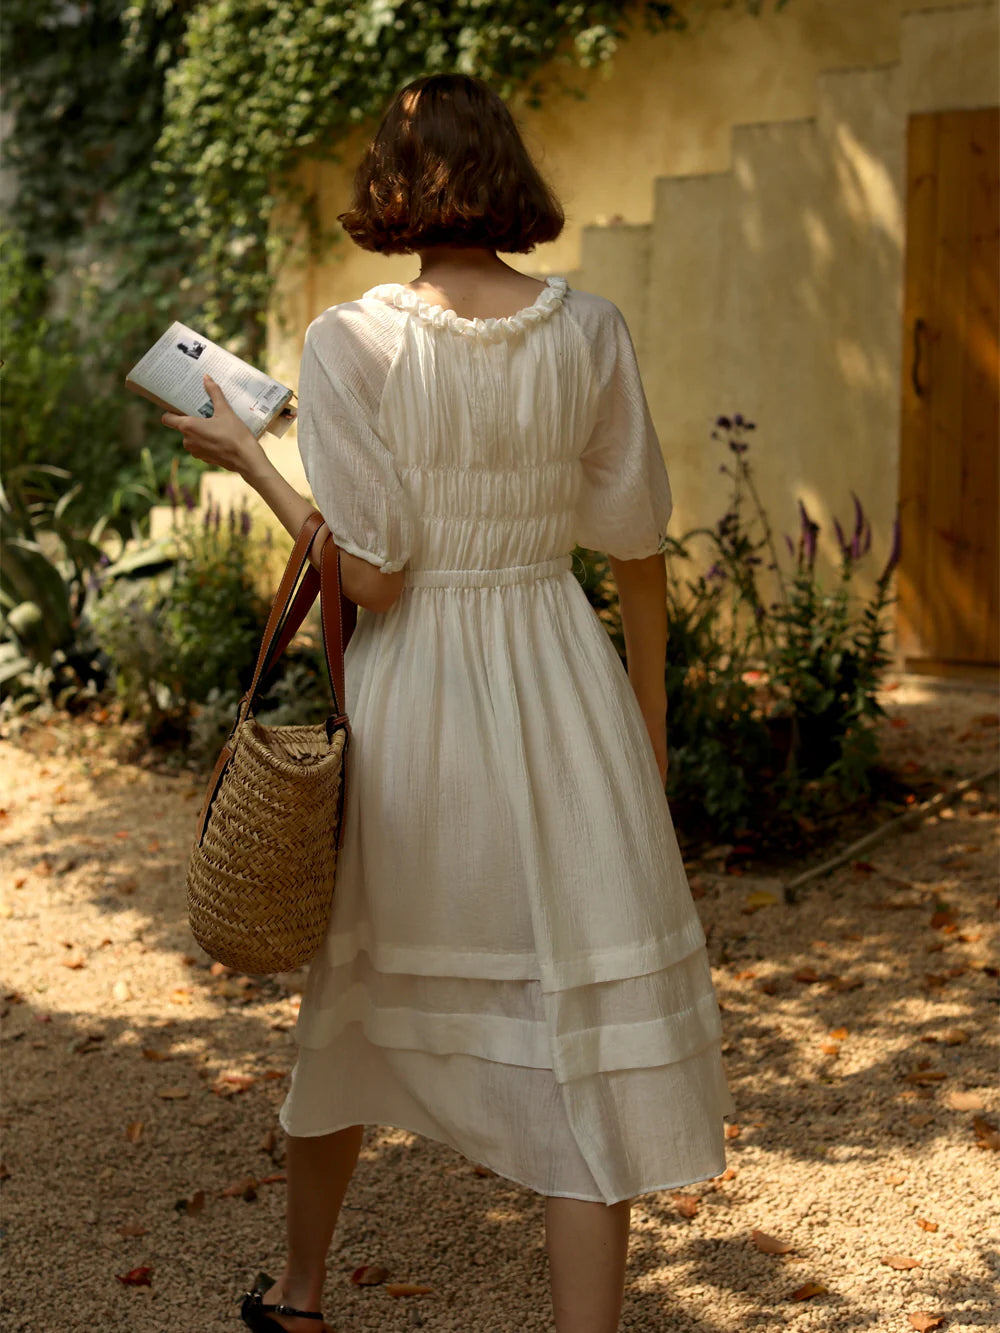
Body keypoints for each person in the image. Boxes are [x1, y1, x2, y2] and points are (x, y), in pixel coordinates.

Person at [162, 71, 736, 1333]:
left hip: (419, 700)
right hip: (563, 686)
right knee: (578, 1030)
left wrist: (254, 456)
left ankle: (303, 1298)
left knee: (357, 999)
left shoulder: (348, 339)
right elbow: (636, 549)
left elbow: (371, 573)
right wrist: (643, 741)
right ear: (510, 178)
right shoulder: (589, 331)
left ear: (391, 188)